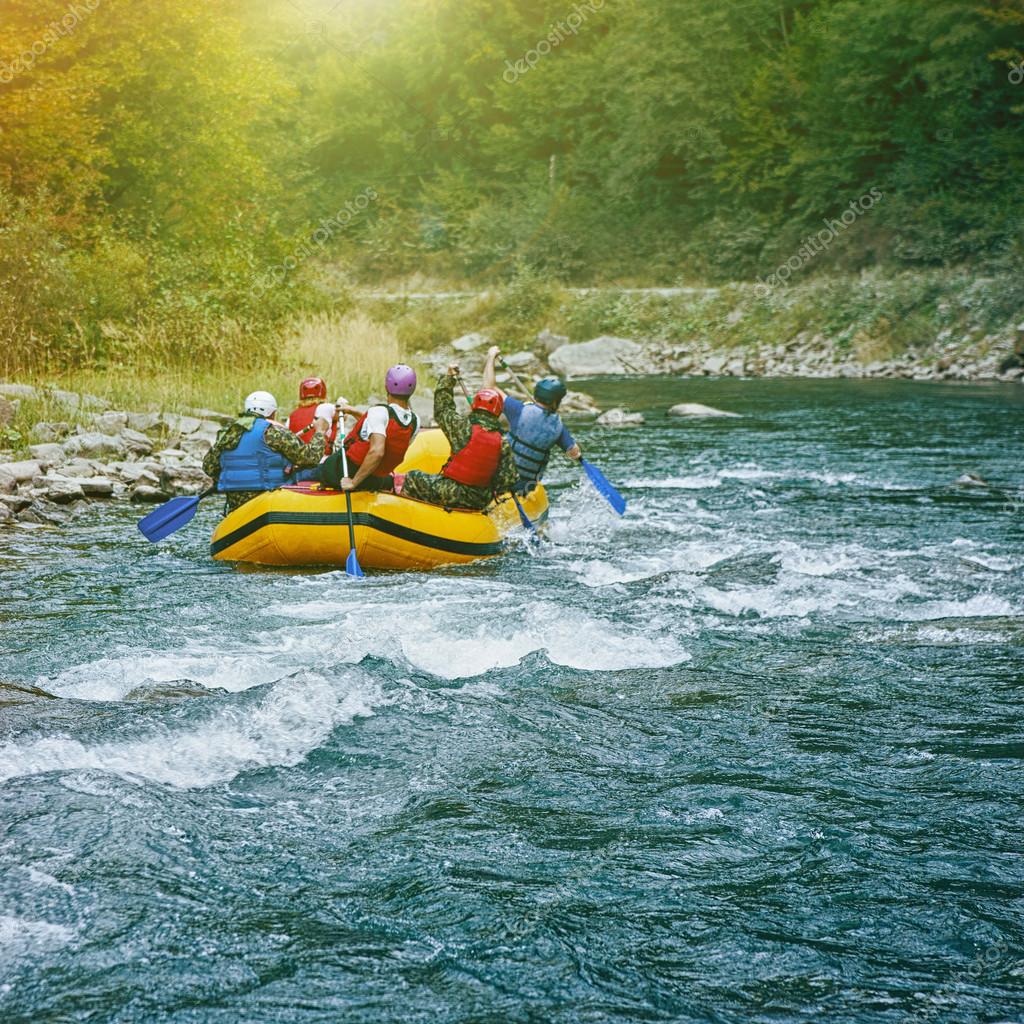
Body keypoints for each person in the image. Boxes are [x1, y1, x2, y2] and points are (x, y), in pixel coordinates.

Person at [400, 366, 516, 510]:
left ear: (474, 406)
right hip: (480, 500)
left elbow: (442, 409)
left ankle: (408, 512)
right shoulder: (503, 441)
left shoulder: (462, 427)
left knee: (413, 477)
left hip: (452, 491)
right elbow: (506, 481)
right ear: (498, 412)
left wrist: (448, 378)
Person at [203, 391, 327, 514]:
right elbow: (311, 458)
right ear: (272, 413)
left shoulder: (228, 433)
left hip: (236, 505)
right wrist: (320, 432)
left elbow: (208, 467)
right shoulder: (273, 432)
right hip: (269, 500)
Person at [482, 346, 582, 493]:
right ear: (556, 402)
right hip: (526, 487)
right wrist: (575, 451)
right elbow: (574, 452)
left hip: (501, 478)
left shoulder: (519, 410)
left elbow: (489, 388)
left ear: (536, 395)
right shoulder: (558, 427)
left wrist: (491, 356)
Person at [315, 365, 419, 493]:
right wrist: (353, 411)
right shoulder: (415, 421)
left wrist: (353, 483)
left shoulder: (379, 411)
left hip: (348, 471)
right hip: (377, 478)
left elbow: (377, 452)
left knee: (318, 470)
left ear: (386, 386)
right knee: (387, 480)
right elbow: (381, 430)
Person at [286, 377, 338, 447]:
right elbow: (344, 417)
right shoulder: (326, 407)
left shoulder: (292, 415)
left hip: (297, 453)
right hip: (320, 452)